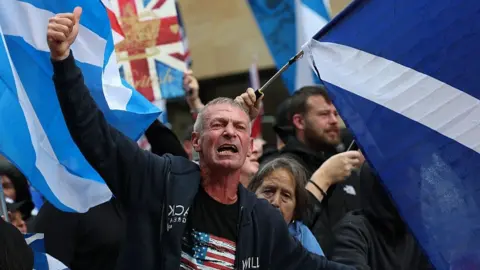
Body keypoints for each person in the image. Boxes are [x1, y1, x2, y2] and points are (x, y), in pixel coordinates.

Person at [47, 7, 354, 270]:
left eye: (239, 127)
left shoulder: (263, 218)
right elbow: (93, 133)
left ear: (249, 147)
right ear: (195, 141)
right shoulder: (158, 179)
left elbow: (315, 266)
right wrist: (63, 61)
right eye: (218, 124)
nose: (230, 131)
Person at [275, 86, 364, 255]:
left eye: (335, 114)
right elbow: (283, 225)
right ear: (299, 122)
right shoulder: (282, 167)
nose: (333, 121)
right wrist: (324, 178)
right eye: (324, 114)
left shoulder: (343, 163)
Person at [329, 163, 432, 269]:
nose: (416, 194)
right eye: (407, 183)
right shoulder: (352, 230)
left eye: (418, 183)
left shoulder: (417, 237)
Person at [248, 157, 324, 256]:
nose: (275, 202)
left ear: (295, 210)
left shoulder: (304, 240)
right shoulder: (235, 226)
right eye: (268, 191)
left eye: (286, 195)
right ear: (251, 195)